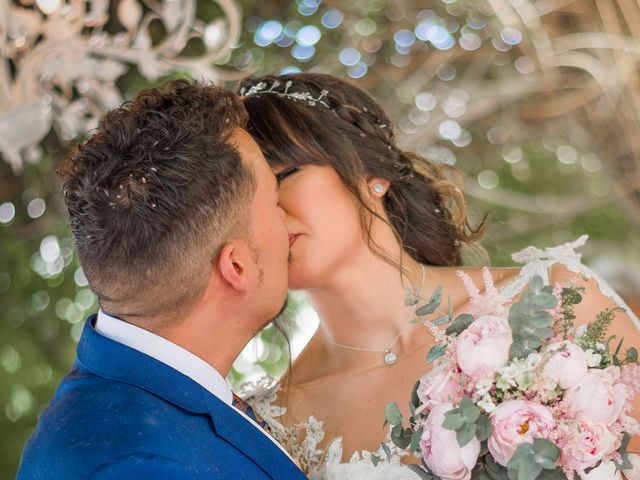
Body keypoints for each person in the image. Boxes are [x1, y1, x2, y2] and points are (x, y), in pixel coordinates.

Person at [238, 73, 640, 461]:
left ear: (370, 173)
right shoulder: (279, 422)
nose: (267, 214)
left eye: (284, 176)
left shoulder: (555, 303)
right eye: (244, 203)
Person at [18, 80, 306, 479]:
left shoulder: (139, 405)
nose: (289, 220)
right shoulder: (137, 465)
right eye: (274, 202)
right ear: (236, 266)